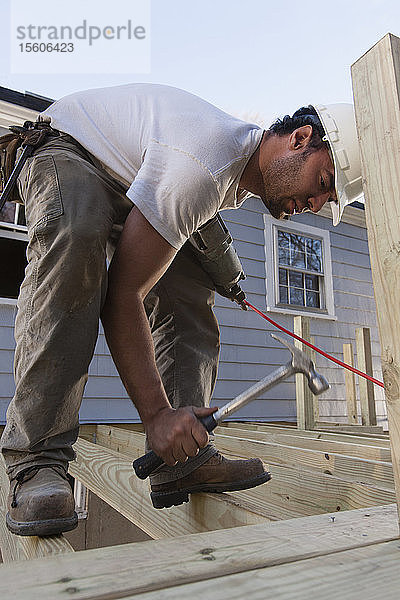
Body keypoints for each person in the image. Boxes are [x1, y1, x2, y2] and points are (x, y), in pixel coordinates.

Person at [0, 83, 361, 536]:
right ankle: (37, 461)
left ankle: (182, 455)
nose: (313, 204)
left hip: (129, 176)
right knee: (77, 235)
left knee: (188, 286)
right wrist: (154, 415)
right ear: (302, 139)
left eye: (325, 202)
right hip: (67, 146)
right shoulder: (204, 163)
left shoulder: (230, 175)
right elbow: (123, 296)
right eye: (323, 183)